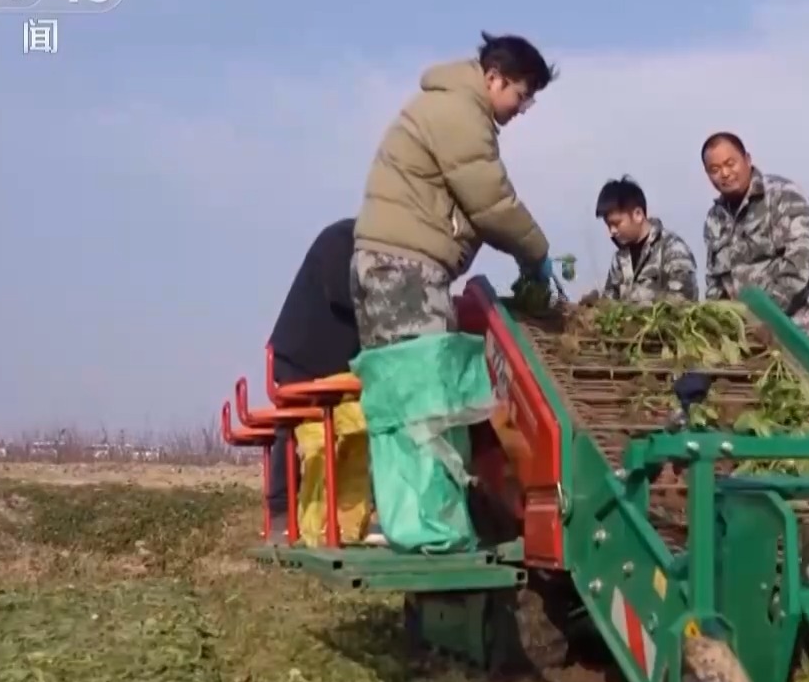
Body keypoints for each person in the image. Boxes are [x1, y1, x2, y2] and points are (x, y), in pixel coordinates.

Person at [351, 32, 559, 349]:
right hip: (405, 271)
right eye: (522, 95)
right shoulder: (460, 113)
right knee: (423, 388)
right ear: (494, 78)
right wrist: (536, 253)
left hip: (388, 267)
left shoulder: (450, 103)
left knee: (399, 387)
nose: (522, 108)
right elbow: (493, 203)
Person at [264, 217, 360, 542]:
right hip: (300, 353)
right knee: (289, 429)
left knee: (356, 432)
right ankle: (280, 513)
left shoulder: (370, 252)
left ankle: (339, 517)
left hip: (340, 365)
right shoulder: (340, 239)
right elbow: (339, 291)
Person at [698, 132, 809, 333]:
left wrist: (764, 315)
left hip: (799, 326)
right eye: (714, 169)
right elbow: (715, 284)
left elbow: (801, 262)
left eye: (730, 164)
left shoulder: (783, 196)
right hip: (747, 333)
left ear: (747, 160)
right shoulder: (715, 219)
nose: (724, 173)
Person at [593, 175, 698, 303]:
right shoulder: (620, 259)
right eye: (608, 225)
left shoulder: (672, 249)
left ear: (638, 215)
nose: (612, 231)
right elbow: (610, 303)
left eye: (616, 223)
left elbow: (683, 302)